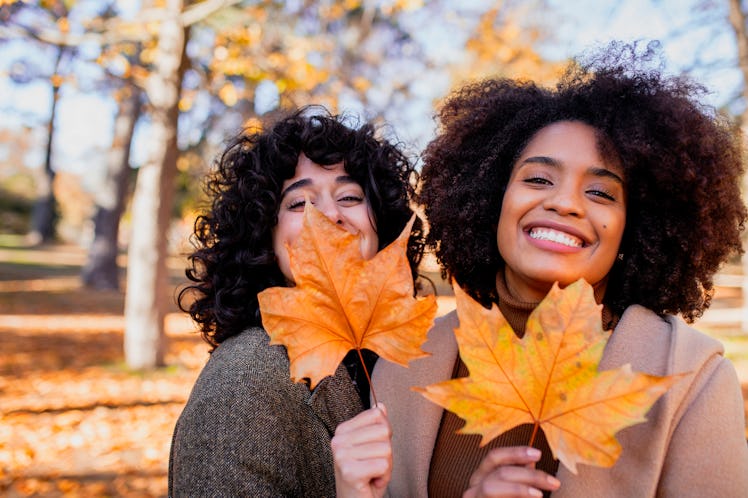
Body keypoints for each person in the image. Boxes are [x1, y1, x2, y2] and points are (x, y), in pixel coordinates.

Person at [331, 41, 748, 497]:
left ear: (637, 228)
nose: (564, 203)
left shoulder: (693, 378)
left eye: (601, 193)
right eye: (538, 179)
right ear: (492, 198)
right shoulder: (403, 365)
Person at [168, 106, 425, 497]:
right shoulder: (244, 382)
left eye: (350, 196)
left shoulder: (408, 360)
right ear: (264, 237)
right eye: (299, 203)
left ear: (381, 221)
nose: (329, 215)